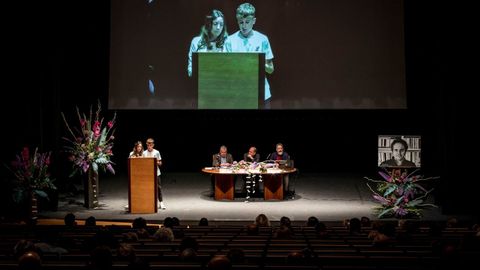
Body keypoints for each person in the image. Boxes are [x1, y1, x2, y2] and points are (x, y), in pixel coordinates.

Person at [225, 2, 274, 108]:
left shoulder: (262, 39)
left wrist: (257, 61)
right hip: (238, 94)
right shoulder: (229, 40)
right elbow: (226, 70)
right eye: (240, 22)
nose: (244, 25)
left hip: (261, 94)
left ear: (254, 21)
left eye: (247, 22)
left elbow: (271, 69)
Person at [188, 9, 228, 77]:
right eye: (215, 24)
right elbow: (190, 68)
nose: (218, 28)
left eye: (221, 24)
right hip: (201, 81)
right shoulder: (196, 41)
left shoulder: (228, 42)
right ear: (209, 24)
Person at [143, 138, 166, 210]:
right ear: (146, 144)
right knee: (148, 188)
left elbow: (160, 163)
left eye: (150, 144)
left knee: (158, 188)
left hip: (156, 173)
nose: (149, 145)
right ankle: (149, 202)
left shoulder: (156, 152)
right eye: (148, 144)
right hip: (148, 173)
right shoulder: (144, 153)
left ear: (153, 145)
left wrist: (157, 162)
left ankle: (161, 202)